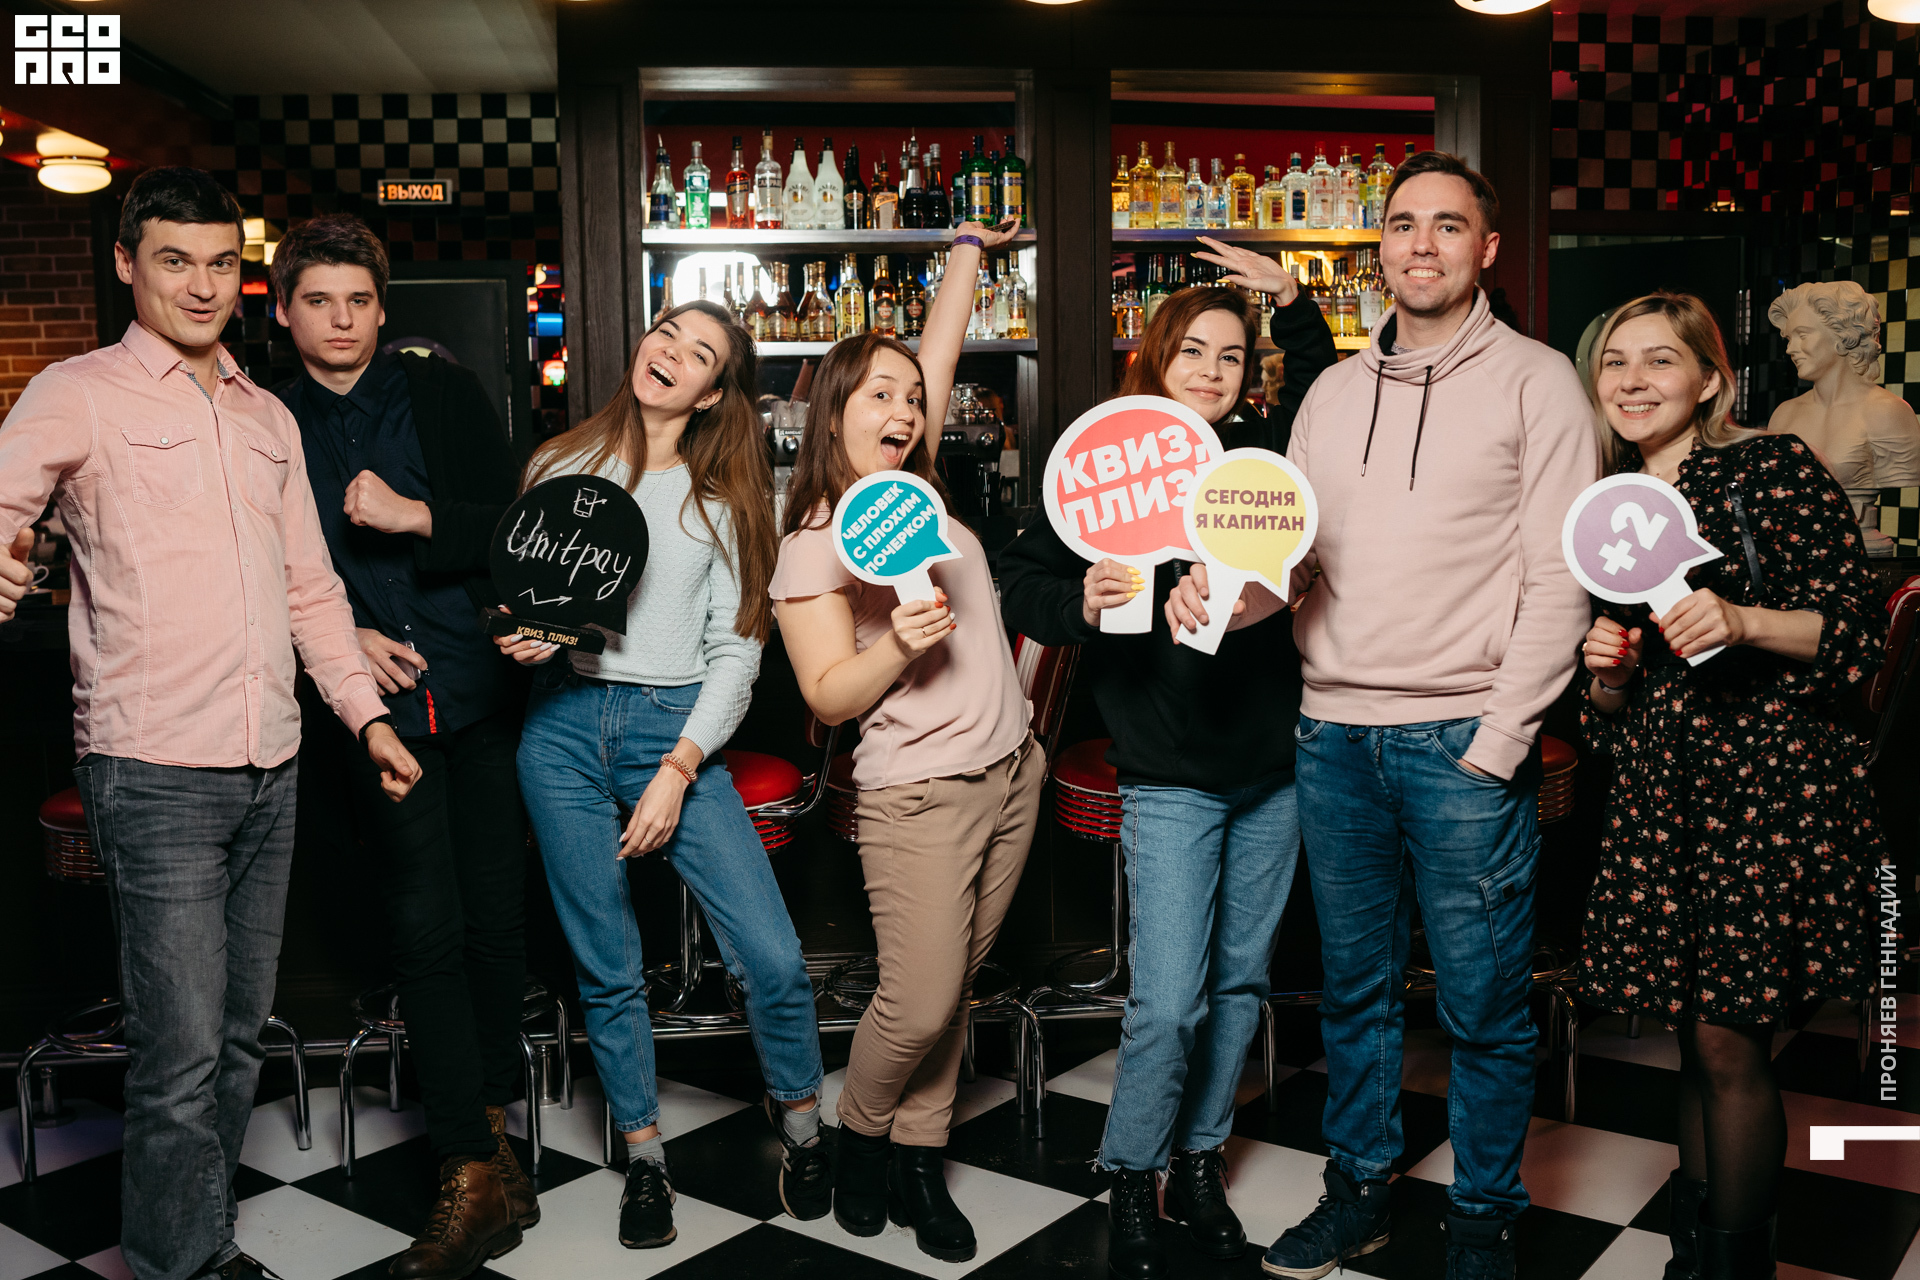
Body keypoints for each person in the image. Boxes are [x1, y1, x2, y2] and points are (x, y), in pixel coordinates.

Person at [1171, 151, 1599, 1280]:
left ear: (1486, 249)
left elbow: (1559, 579)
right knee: (1353, 995)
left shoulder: (1539, 381)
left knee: (1482, 1005)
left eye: (1447, 225)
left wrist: (1501, 740)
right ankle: (1357, 1192)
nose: (1421, 243)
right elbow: (1296, 563)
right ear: (1382, 248)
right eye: (1404, 223)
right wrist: (1224, 596)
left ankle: (1483, 1220)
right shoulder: (1333, 392)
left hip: (1464, 737)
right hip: (1333, 738)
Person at [0, 168, 420, 1280]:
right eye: (173, 260)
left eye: (220, 263)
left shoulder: (266, 414)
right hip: (152, 763)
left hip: (271, 759)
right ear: (127, 263)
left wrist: (366, 717)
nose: (200, 285)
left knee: (236, 1034)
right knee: (179, 1048)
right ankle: (178, 1264)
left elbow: (311, 590)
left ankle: (202, 1239)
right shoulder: (77, 392)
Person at [999, 246, 1335, 1280]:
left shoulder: (1261, 456)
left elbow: (1322, 396)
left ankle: (1197, 1160)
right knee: (1169, 999)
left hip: (1272, 763)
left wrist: (1294, 302)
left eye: (1232, 356)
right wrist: (1084, 599)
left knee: (1239, 984)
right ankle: (1131, 1168)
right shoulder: (1110, 462)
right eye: (1193, 350)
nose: (1213, 371)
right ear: (1156, 355)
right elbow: (1020, 580)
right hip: (1167, 771)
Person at [497, 297, 826, 1248]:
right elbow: (533, 601)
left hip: (671, 728)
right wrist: (526, 632)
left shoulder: (728, 499)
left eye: (700, 353)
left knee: (770, 957)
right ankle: (644, 1159)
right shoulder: (558, 465)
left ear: (715, 391)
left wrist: (680, 768)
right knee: (606, 962)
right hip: (561, 726)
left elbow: (738, 651)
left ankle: (804, 1126)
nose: (671, 354)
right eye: (666, 335)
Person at [1577, 292, 1883, 1280]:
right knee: (1691, 1034)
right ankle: (1694, 1256)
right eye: (1615, 360)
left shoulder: (1771, 468)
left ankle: (1733, 1267)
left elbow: (1856, 636)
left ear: (1711, 380)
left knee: (1726, 1040)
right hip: (1662, 794)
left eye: (1659, 360)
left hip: (1760, 790)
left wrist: (1744, 620)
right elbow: (1611, 713)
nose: (1632, 380)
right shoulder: (1611, 504)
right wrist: (1607, 673)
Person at [269, 213, 536, 1278]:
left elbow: (513, 529)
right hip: (375, 714)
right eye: (318, 300)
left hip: (478, 690)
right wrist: (346, 635)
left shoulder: (442, 394)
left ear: (384, 308)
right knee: (425, 932)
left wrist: (415, 514)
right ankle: (467, 1163)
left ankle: (494, 1134)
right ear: (283, 311)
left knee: (495, 920)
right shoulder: (266, 420)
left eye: (359, 300)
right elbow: (258, 573)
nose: (341, 320)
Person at [771, 219, 1037, 1265]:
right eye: (879, 395)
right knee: (918, 999)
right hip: (919, 795)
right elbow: (829, 696)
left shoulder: (910, 486)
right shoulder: (815, 544)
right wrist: (896, 645)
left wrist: (968, 248)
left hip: (1013, 770)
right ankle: (858, 1134)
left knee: (953, 991)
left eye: (913, 399)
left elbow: (938, 351)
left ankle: (922, 1156)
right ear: (833, 410)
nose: (906, 410)